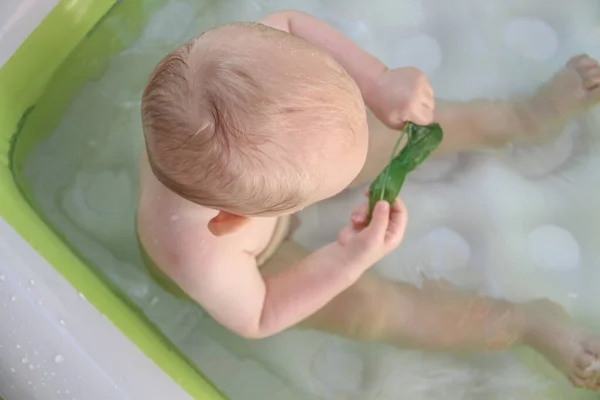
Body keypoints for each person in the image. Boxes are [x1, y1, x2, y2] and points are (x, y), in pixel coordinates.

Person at [137, 9, 600, 390]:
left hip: (261, 174)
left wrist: (377, 83)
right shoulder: (202, 259)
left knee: (396, 133)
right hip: (260, 264)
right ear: (235, 218)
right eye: (329, 185)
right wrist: (345, 260)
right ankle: (526, 324)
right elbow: (259, 313)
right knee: (372, 310)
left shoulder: (221, 62)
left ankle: (520, 117)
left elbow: (290, 25)